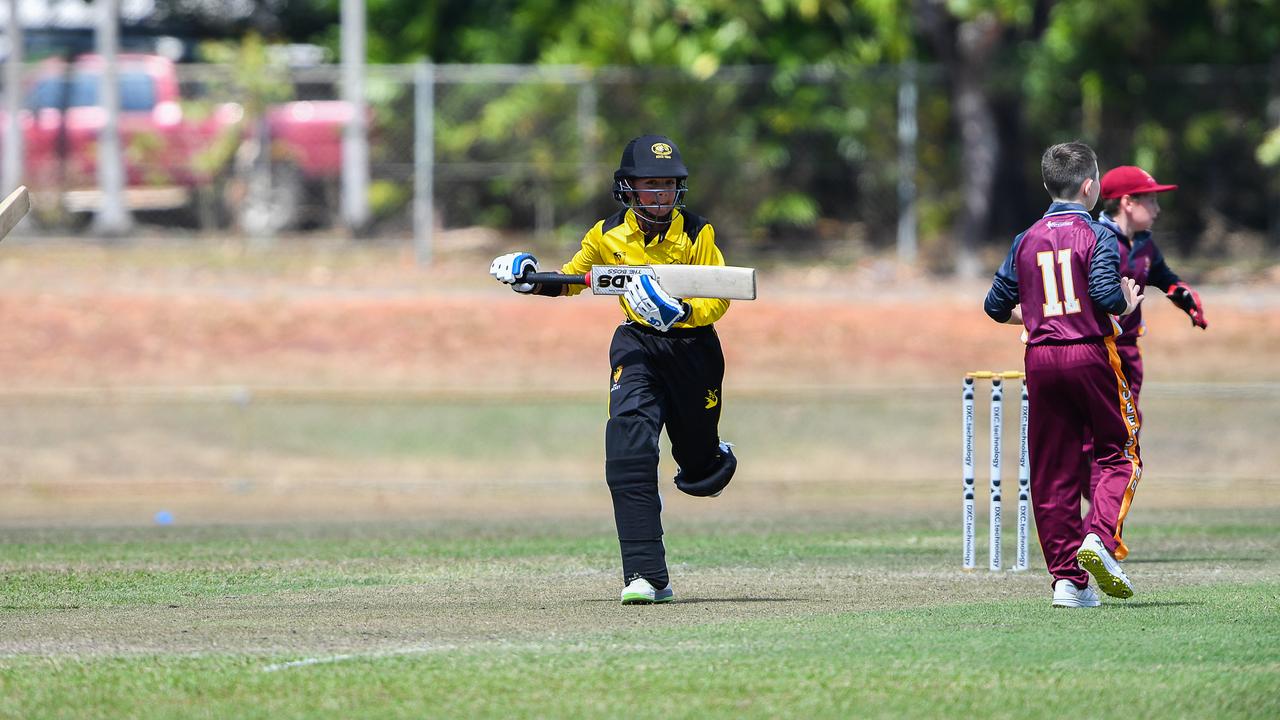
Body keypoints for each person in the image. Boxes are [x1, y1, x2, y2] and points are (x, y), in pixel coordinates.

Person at [489, 134, 737, 605]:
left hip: (694, 350)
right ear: (628, 188)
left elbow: (719, 296)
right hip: (637, 346)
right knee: (628, 448)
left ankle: (711, 456)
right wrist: (528, 277)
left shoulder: (697, 232)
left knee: (702, 473)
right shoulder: (606, 234)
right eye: (651, 185)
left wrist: (681, 313)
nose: (661, 195)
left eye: (668, 185)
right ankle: (646, 576)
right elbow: (573, 279)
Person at [984, 141, 1145, 608]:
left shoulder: (1025, 238)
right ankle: (1099, 538)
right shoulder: (1098, 234)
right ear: (1091, 186)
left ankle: (1067, 584)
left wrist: (1035, 317)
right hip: (1090, 354)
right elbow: (1104, 294)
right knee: (1121, 454)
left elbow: (995, 306)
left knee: (1052, 473)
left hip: (1040, 360)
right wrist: (1126, 302)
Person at [1084, 166, 1207, 515]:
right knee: (1084, 442)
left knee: (1122, 436)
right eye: (1150, 200)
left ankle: (1102, 527)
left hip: (1128, 355)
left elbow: (1165, 279)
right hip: (1094, 350)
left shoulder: (1144, 244)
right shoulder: (1094, 238)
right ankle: (1097, 525)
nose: (1157, 209)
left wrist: (1185, 299)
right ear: (1127, 202)